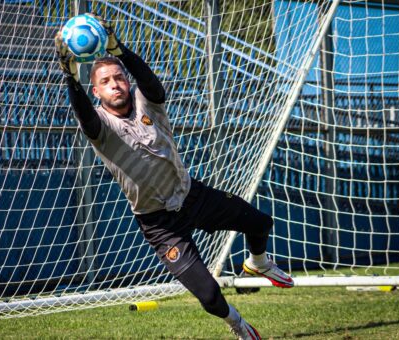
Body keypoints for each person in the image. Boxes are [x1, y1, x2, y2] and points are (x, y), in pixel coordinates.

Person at [54, 14, 294, 340]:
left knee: (261, 223)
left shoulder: (146, 101)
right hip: (160, 226)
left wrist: (118, 48)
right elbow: (83, 112)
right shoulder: (99, 126)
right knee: (209, 296)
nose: (115, 84)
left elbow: (150, 82)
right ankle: (238, 325)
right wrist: (69, 75)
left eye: (119, 77)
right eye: (106, 81)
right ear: (96, 91)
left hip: (192, 195)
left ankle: (258, 263)